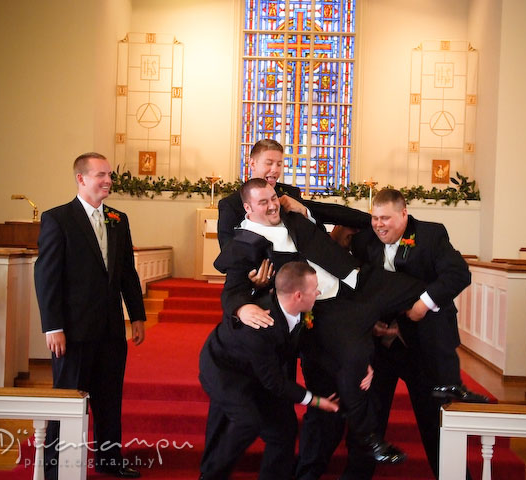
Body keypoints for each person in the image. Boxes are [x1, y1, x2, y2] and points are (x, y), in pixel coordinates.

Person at [213, 178, 427, 474]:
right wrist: (242, 306)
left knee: (425, 290)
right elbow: (232, 289)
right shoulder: (245, 244)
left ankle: (445, 375)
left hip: (354, 287)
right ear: (248, 208)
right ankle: (365, 441)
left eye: (274, 198)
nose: (273, 204)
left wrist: (379, 221)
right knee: (346, 376)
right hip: (319, 314)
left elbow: (339, 214)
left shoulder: (292, 215)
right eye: (264, 202)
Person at [349, 188, 488, 479]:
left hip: (424, 344)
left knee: (434, 423)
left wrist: (422, 306)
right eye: (374, 218)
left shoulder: (431, 235)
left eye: (385, 218)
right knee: (369, 419)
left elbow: (459, 274)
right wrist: (371, 323)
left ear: (404, 214)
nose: (379, 225)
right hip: (382, 344)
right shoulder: (364, 241)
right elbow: (360, 288)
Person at [34, 152, 146, 480]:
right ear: (81, 179)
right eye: (101, 175)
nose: (108, 181)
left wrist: (136, 316)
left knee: (109, 399)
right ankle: (56, 467)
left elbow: (127, 272)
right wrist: (53, 327)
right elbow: (47, 277)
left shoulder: (118, 219)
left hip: (111, 330)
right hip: (72, 331)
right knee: (67, 401)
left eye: (109, 175)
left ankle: (109, 461)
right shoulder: (58, 219)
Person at [198, 262, 341, 480]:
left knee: (284, 428)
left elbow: (315, 348)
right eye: (315, 289)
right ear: (298, 296)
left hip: (257, 369)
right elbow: (274, 382)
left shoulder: (301, 311)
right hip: (224, 369)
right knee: (247, 421)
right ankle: (211, 475)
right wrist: (318, 401)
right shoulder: (260, 327)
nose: (319, 293)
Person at [217, 138, 369, 248]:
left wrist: (304, 211)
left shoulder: (289, 193)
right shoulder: (230, 204)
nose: (275, 170)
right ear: (252, 163)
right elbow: (227, 247)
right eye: (269, 163)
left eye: (279, 164)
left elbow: (326, 212)